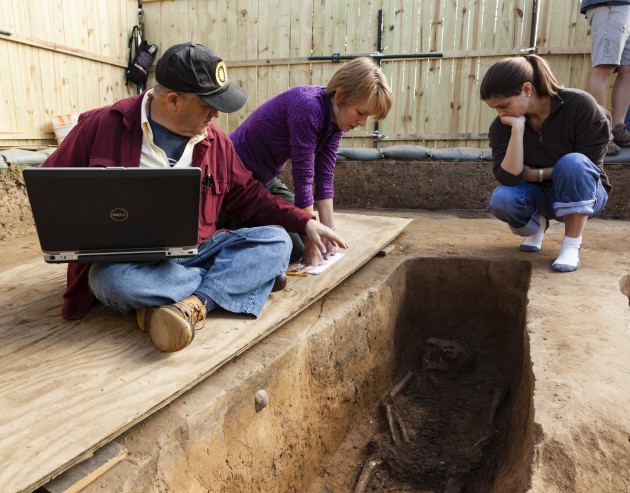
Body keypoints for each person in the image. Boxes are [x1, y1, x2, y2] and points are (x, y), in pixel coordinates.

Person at [42, 42, 347, 352]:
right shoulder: (100, 126)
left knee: (278, 242)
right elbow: (50, 190)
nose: (216, 113)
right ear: (173, 100)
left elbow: (250, 196)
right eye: (209, 104)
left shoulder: (217, 142)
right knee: (109, 282)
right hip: (129, 265)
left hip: (199, 249)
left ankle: (184, 305)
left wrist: (306, 222)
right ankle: (237, 284)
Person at [228, 57, 393, 268]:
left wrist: (328, 235)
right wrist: (311, 245)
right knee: (295, 247)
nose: (362, 123)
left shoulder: (336, 121)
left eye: (367, 117)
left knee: (307, 228)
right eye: (360, 113)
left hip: (265, 180)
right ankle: (228, 226)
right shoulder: (306, 107)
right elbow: (304, 178)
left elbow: (324, 177)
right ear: (340, 96)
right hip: (236, 182)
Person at [479, 54, 612, 272]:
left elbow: (589, 167)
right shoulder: (502, 125)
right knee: (502, 199)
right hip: (539, 196)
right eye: (494, 108)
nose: (500, 113)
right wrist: (517, 130)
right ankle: (536, 227)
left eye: (503, 105)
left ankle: (571, 245)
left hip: (586, 194)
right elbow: (508, 178)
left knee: (574, 163)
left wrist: (537, 174)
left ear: (527, 89)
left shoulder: (580, 106)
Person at [581, 0, 630, 155]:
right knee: (604, 66)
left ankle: (618, 128)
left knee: (627, 69)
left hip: (626, 6)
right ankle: (596, 132)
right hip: (610, 4)